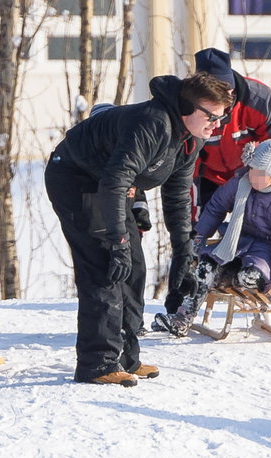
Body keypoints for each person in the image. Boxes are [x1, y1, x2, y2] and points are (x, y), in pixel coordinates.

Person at [45, 72, 233, 387]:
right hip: (74, 177)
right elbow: (115, 181)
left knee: (134, 268)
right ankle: (97, 363)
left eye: (221, 118)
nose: (216, 125)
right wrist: (117, 241)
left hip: (109, 186)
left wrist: (183, 250)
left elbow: (177, 197)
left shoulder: (190, 139)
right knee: (106, 266)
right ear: (187, 108)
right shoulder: (153, 123)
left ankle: (126, 357)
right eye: (211, 116)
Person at [153, 47, 271, 331]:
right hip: (211, 177)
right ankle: (179, 303)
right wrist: (194, 224)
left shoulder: (258, 99)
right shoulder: (194, 106)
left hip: (257, 177)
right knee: (194, 236)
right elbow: (186, 157)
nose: (224, 99)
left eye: (227, 90)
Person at [155, 139, 271, 337]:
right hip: (235, 244)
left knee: (247, 276)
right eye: (252, 170)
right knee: (206, 267)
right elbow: (216, 207)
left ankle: (229, 278)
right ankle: (183, 317)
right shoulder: (241, 183)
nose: (253, 176)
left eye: (260, 173)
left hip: (264, 254)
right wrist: (199, 237)